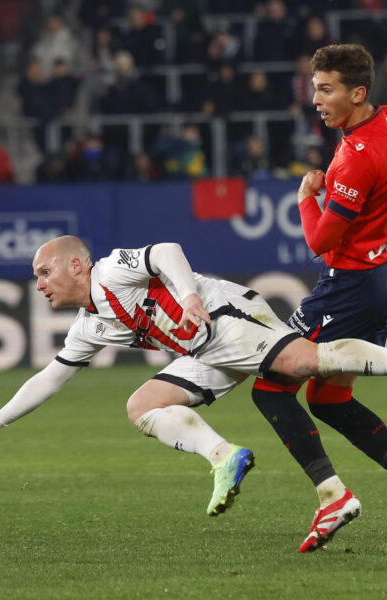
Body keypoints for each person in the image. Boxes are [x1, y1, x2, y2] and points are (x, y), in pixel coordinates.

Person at [0, 236, 387, 548]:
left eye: (45, 271)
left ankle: (334, 494)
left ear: (76, 265)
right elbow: (50, 376)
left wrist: (191, 296)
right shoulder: (89, 326)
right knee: (143, 405)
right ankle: (225, 457)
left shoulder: (109, 271)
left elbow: (166, 252)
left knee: (304, 362)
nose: (39, 283)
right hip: (204, 350)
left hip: (220, 314)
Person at [251, 43, 387, 553]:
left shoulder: (356, 155)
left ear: (357, 92)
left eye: (326, 89)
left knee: (270, 387)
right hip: (379, 278)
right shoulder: (379, 127)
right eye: (314, 88)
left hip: (350, 287)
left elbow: (320, 242)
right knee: (329, 398)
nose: (316, 99)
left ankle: (332, 495)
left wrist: (309, 197)